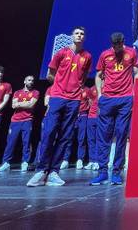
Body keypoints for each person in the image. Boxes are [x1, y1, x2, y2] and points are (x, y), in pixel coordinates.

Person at [27, 26, 94, 187]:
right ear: (72, 36)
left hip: (74, 100)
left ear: (84, 38)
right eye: (77, 33)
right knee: (49, 132)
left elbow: (84, 76)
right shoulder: (62, 52)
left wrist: (75, 88)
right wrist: (59, 85)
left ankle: (54, 172)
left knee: (65, 135)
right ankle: (41, 170)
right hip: (57, 97)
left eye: (82, 34)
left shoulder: (87, 56)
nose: (79, 35)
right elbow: (50, 73)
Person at [89, 32, 138, 186]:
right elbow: (98, 75)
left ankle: (117, 172)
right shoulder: (105, 54)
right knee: (103, 137)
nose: (116, 47)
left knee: (121, 135)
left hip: (125, 100)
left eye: (119, 44)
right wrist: (99, 95)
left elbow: (136, 73)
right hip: (107, 99)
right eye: (114, 45)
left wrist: (133, 93)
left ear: (123, 42)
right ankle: (102, 172)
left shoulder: (132, 52)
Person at [0, 75, 39, 172]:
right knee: (11, 142)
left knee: (26, 142)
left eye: (32, 80)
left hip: (27, 120)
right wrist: (25, 104)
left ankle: (25, 162)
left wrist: (20, 104)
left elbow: (31, 104)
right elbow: (13, 105)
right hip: (15, 121)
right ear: (25, 81)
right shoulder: (17, 92)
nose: (31, 82)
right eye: (29, 80)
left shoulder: (35, 92)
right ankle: (6, 163)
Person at [60, 82, 92, 170]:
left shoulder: (87, 90)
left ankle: (80, 160)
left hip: (83, 115)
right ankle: (65, 160)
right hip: (72, 116)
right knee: (69, 138)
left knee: (81, 139)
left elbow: (91, 103)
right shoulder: (72, 88)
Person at [83, 84, 100, 170]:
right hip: (91, 117)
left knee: (99, 140)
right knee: (90, 140)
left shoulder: (107, 87)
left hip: (100, 117)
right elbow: (89, 101)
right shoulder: (92, 88)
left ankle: (97, 161)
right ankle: (91, 161)